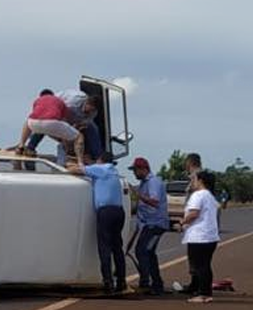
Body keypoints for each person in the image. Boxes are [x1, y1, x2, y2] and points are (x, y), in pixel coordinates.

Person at [71, 152, 127, 293]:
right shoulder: (114, 171)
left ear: (100, 160)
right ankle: (121, 280)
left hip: (105, 212)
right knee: (117, 247)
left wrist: (72, 165)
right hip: (119, 212)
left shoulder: (100, 169)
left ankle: (108, 282)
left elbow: (75, 170)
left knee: (104, 247)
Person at [130, 156, 169, 294]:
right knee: (147, 252)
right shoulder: (144, 183)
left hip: (156, 224)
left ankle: (149, 282)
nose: (134, 174)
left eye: (135, 170)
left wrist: (138, 195)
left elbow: (154, 201)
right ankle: (153, 283)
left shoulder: (153, 182)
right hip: (148, 224)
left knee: (143, 251)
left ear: (143, 169)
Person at [180, 169, 220, 304]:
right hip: (209, 237)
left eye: (193, 179)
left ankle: (204, 294)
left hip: (199, 237)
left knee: (200, 266)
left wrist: (182, 222)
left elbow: (193, 213)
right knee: (205, 265)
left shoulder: (198, 195)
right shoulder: (210, 196)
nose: (192, 182)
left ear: (200, 181)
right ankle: (203, 291)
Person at [15, 89, 85, 165]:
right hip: (52, 123)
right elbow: (64, 121)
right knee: (79, 137)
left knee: (28, 121)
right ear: (52, 95)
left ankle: (21, 145)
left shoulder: (37, 100)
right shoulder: (60, 101)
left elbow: (37, 115)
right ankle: (80, 162)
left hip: (34, 123)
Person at [57, 88, 104, 162]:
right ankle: (31, 147)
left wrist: (75, 130)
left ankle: (97, 157)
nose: (89, 112)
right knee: (45, 123)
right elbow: (62, 118)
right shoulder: (72, 103)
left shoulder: (93, 113)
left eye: (92, 110)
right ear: (87, 103)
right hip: (58, 108)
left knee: (93, 128)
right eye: (89, 109)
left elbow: (82, 124)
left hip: (74, 118)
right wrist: (65, 137)